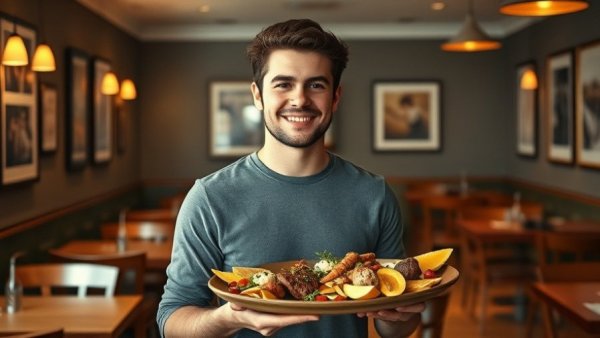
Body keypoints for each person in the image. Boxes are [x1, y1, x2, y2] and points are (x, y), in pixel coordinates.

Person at [157, 19, 424, 338]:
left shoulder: (374, 193)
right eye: (283, 84)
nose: (299, 100)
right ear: (257, 95)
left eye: (316, 85)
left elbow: (393, 328)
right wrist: (230, 318)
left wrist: (402, 313)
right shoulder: (210, 197)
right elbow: (172, 320)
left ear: (335, 97)